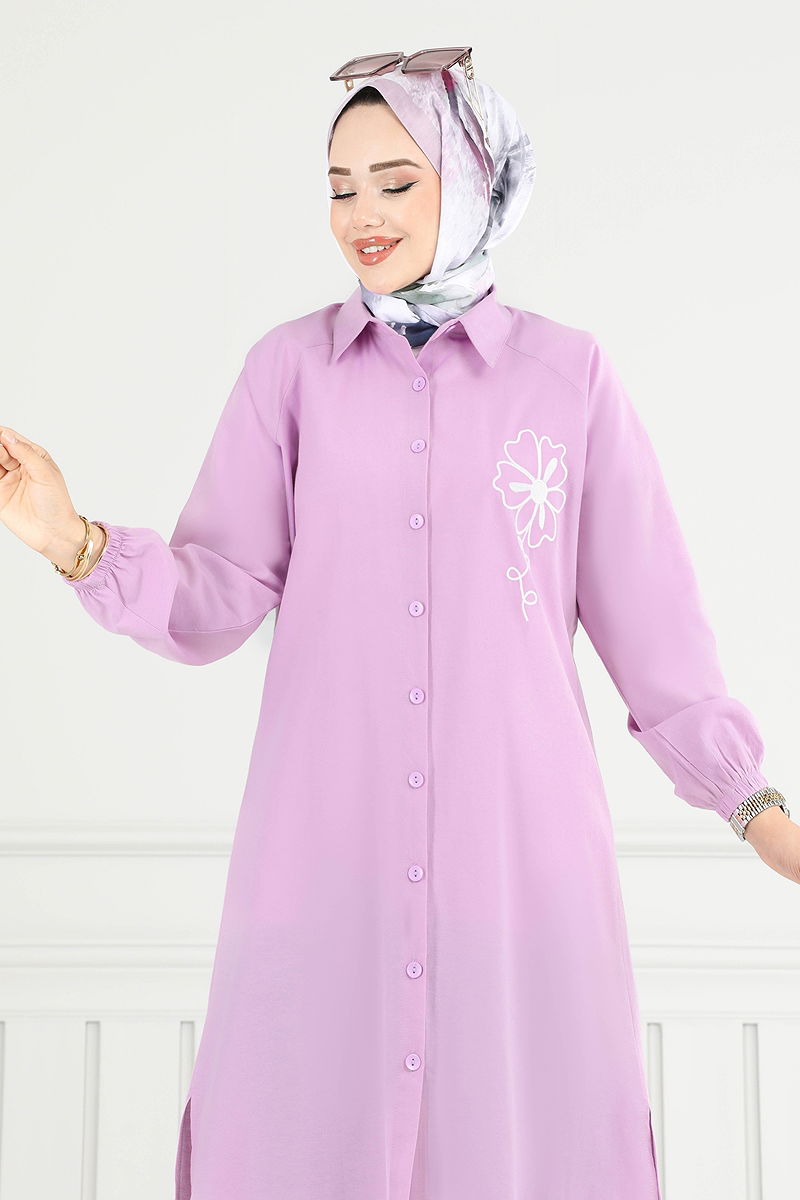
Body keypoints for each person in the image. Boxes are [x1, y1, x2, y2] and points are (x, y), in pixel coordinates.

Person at [0, 48, 796, 1200]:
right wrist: (71, 538)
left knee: (519, 1145)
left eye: (394, 180)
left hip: (517, 869)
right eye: (339, 186)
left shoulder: (567, 381)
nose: (360, 215)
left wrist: (756, 812)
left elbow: (654, 629)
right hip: (324, 856)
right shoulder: (289, 374)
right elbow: (215, 594)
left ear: (469, 183)